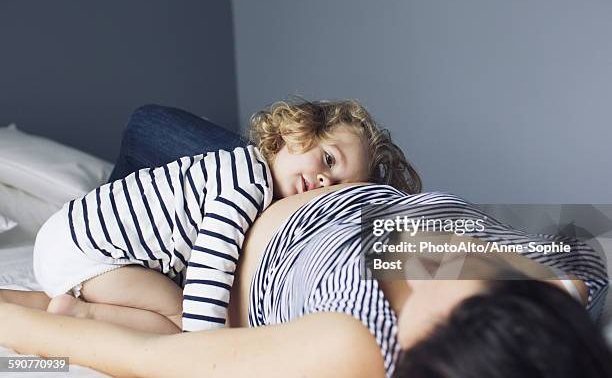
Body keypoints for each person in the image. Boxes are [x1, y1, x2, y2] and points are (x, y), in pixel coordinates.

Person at [1, 105, 610, 378]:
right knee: (152, 124)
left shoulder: (359, 346)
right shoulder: (560, 288)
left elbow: (150, 359)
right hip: (298, 187)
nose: (436, 287)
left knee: (149, 128)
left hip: (229, 227)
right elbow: (584, 243)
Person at [32, 99, 422, 335]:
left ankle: (77, 307)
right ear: (294, 132)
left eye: (337, 184)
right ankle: (82, 312)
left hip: (72, 236)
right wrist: (204, 339)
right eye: (328, 159)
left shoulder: (236, 165)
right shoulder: (247, 185)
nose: (323, 180)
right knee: (179, 314)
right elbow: (209, 263)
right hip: (88, 252)